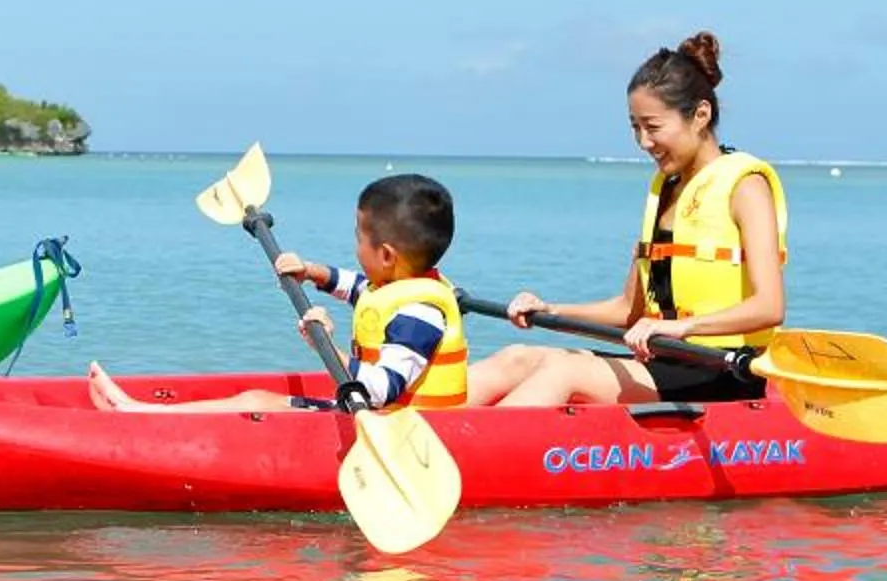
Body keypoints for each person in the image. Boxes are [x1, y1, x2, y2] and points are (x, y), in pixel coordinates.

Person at [467, 31, 784, 408]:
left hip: (722, 370)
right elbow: (627, 311)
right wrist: (550, 309)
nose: (643, 141)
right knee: (517, 358)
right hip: (666, 361)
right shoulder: (666, 189)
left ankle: (467, 457)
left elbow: (769, 307)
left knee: (564, 372)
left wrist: (682, 327)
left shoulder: (746, 186)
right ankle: (410, 428)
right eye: (635, 127)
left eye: (652, 127)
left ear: (701, 115)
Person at [91, 173, 467, 412]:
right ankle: (143, 411)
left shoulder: (420, 314)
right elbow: (361, 291)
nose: (355, 245)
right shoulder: (396, 284)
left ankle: (137, 414)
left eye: (358, 237)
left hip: (405, 434)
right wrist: (312, 272)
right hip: (387, 419)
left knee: (256, 401)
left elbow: (381, 389)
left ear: (386, 255)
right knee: (256, 397)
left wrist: (327, 346)